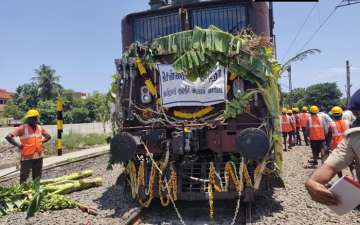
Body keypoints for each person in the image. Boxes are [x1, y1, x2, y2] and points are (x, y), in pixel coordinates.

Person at [305, 89, 360, 206]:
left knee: (318, 154)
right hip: (338, 146)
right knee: (352, 165)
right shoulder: (349, 128)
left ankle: (343, 180)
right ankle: (354, 179)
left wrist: (327, 146)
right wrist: (312, 181)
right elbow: (332, 165)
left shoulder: (350, 134)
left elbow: (327, 134)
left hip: (329, 143)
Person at [5, 109, 51, 183]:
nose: (30, 119)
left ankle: (36, 190)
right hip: (27, 157)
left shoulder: (39, 127)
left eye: (33, 118)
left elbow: (48, 136)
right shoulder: (22, 128)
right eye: (29, 118)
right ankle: (23, 192)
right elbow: (8, 137)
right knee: (24, 177)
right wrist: (18, 145)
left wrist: (40, 142)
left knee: (37, 177)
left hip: (38, 156)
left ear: (36, 118)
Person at [327, 106, 350, 177]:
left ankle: (341, 178)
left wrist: (327, 145)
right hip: (347, 144)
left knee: (337, 164)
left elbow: (329, 136)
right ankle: (354, 177)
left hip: (336, 146)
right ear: (341, 114)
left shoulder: (331, 124)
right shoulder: (347, 122)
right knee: (350, 162)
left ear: (332, 115)